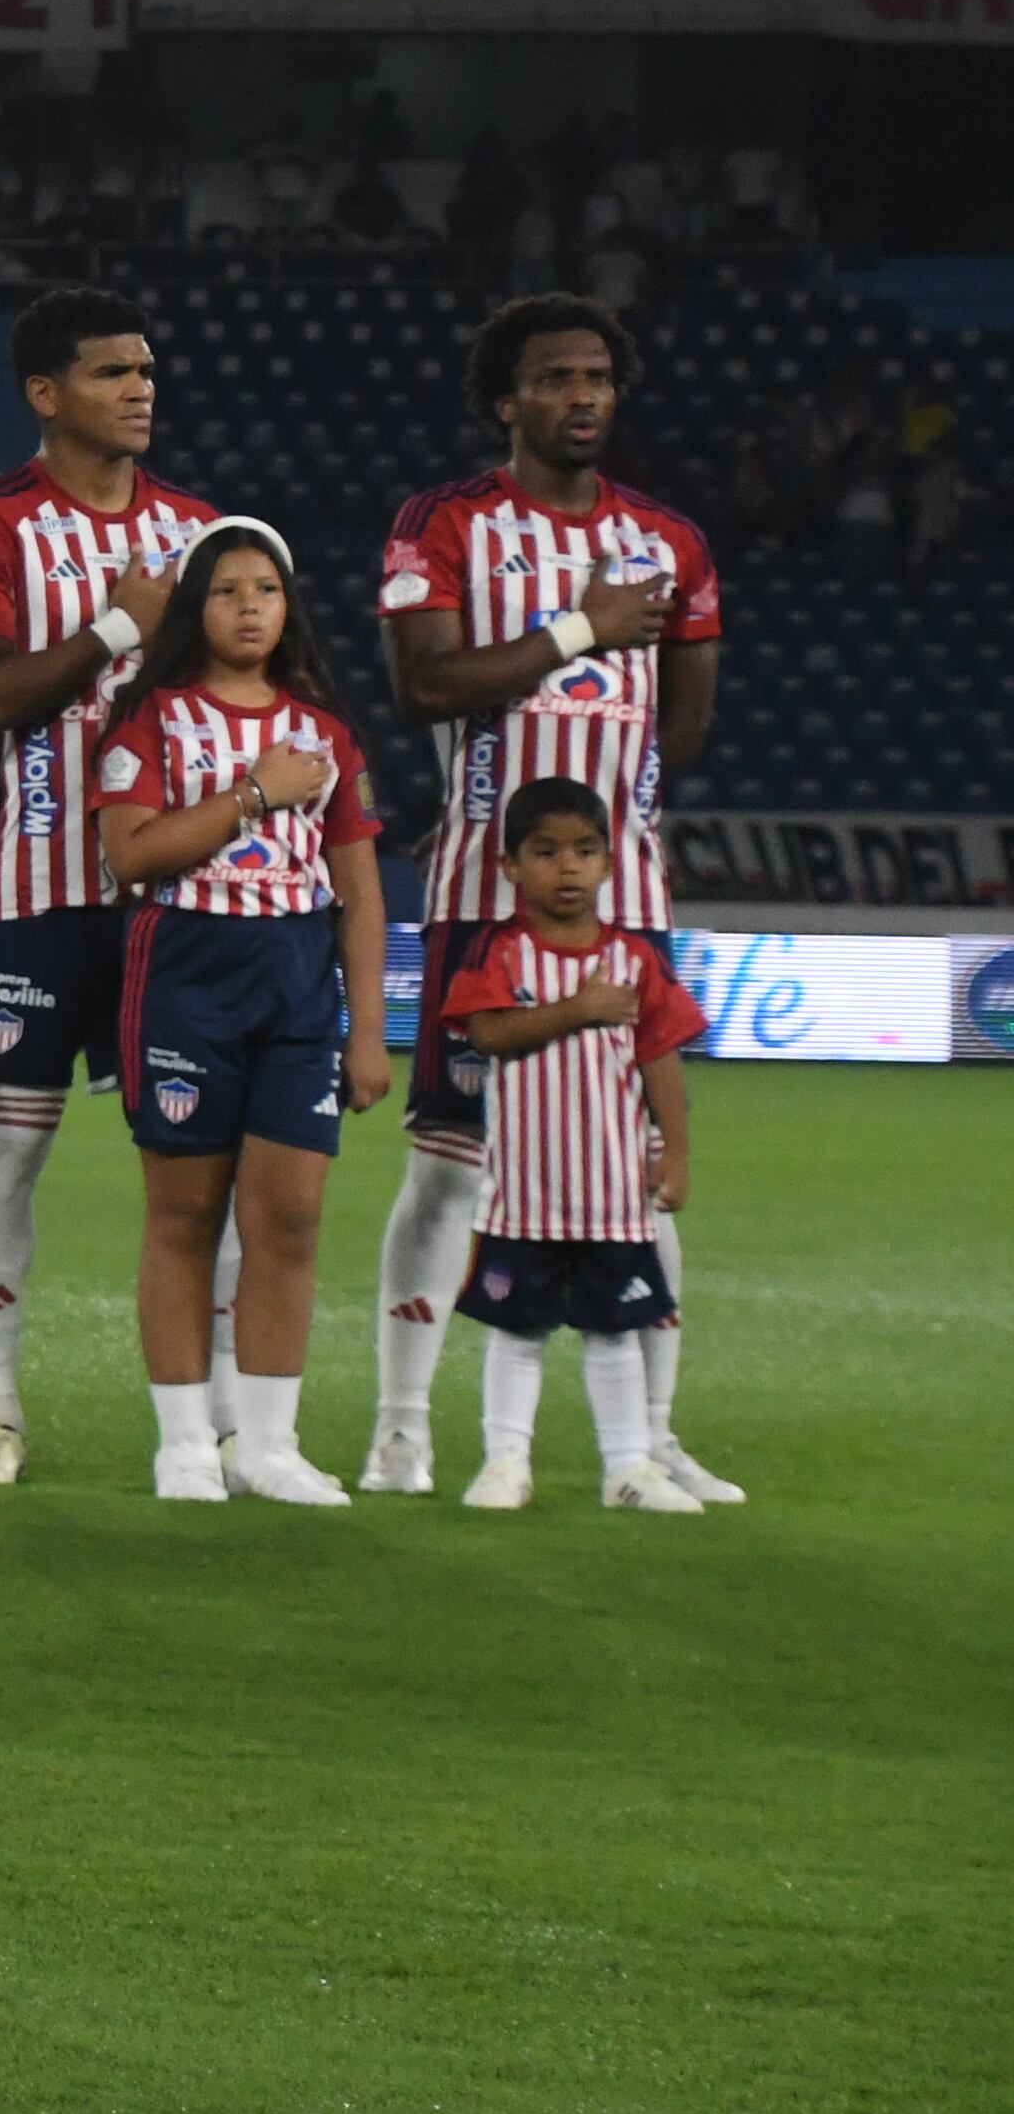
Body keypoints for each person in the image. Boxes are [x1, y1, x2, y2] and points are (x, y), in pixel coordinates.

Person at [361, 295, 726, 1500]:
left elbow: (680, 719)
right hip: (480, 893)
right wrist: (579, 628)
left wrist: (613, 817)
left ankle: (650, 1437)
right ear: (503, 399)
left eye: (597, 378)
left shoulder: (668, 540)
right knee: (451, 1164)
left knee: (633, 1161)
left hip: (624, 907)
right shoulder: (445, 523)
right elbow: (425, 685)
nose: (580, 396)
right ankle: (401, 1425)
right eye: (554, 378)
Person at [0, 289, 221, 1484]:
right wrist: (112, 630)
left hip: (183, 905)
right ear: (44, 395)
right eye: (109, 373)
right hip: (40, 896)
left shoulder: (204, 536)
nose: (139, 390)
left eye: (144, 370)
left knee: (206, 1170)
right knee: (3, 1157)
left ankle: (215, 1424)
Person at [91, 521, 394, 1505]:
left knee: (289, 1219)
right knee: (181, 1215)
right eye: (226, 590)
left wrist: (366, 1027)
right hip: (184, 972)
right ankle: (183, 1443)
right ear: (195, 609)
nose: (249, 605)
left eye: (265, 588)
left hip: (297, 981)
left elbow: (358, 890)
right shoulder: (151, 721)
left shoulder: (326, 733)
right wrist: (252, 796)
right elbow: (129, 856)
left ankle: (265, 1444)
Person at [436, 777, 709, 1513]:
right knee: (517, 1332)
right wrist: (577, 1011)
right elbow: (488, 1033)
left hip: (613, 1197)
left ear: (610, 864)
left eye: (585, 850)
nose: (568, 867)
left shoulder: (635, 961)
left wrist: (675, 1152)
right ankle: (504, 1462)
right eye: (547, 850)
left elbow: (661, 1058)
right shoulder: (504, 954)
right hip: (523, 1195)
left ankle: (628, 1467)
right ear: (511, 868)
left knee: (614, 1333)